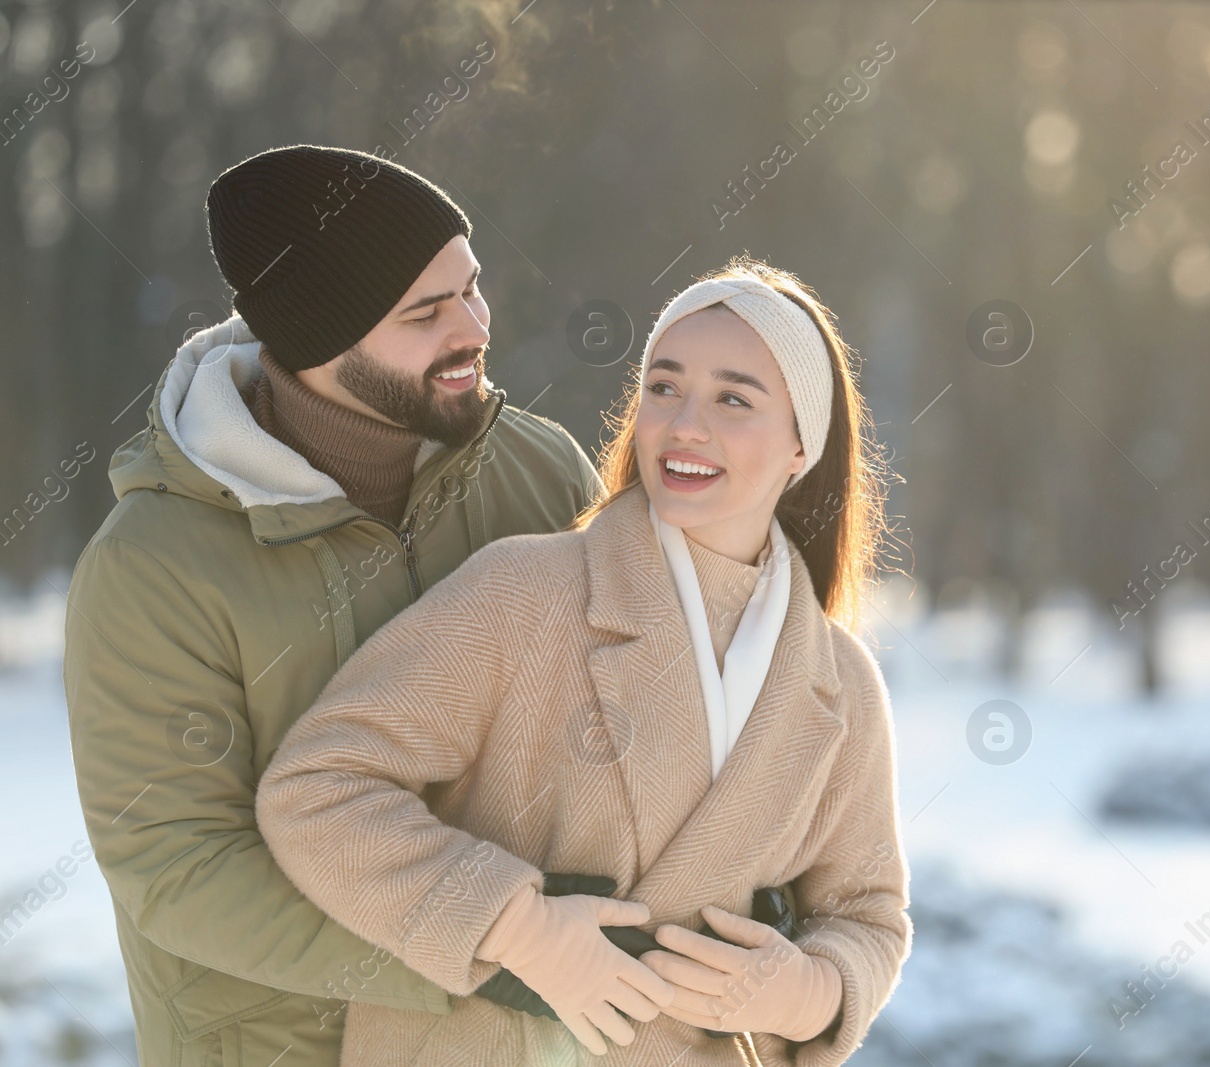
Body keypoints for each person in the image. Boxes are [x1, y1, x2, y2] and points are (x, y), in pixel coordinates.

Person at [255, 257, 912, 1066]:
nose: (684, 425)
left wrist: (812, 991)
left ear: (802, 446)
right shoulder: (523, 591)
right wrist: (513, 926)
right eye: (664, 388)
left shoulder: (842, 684)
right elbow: (316, 788)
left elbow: (868, 914)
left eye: (733, 399)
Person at [62, 144, 602, 1067]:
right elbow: (180, 867)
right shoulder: (155, 567)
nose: (473, 326)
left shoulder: (543, 472)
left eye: (472, 287)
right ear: (318, 340)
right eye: (425, 313)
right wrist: (480, 945)